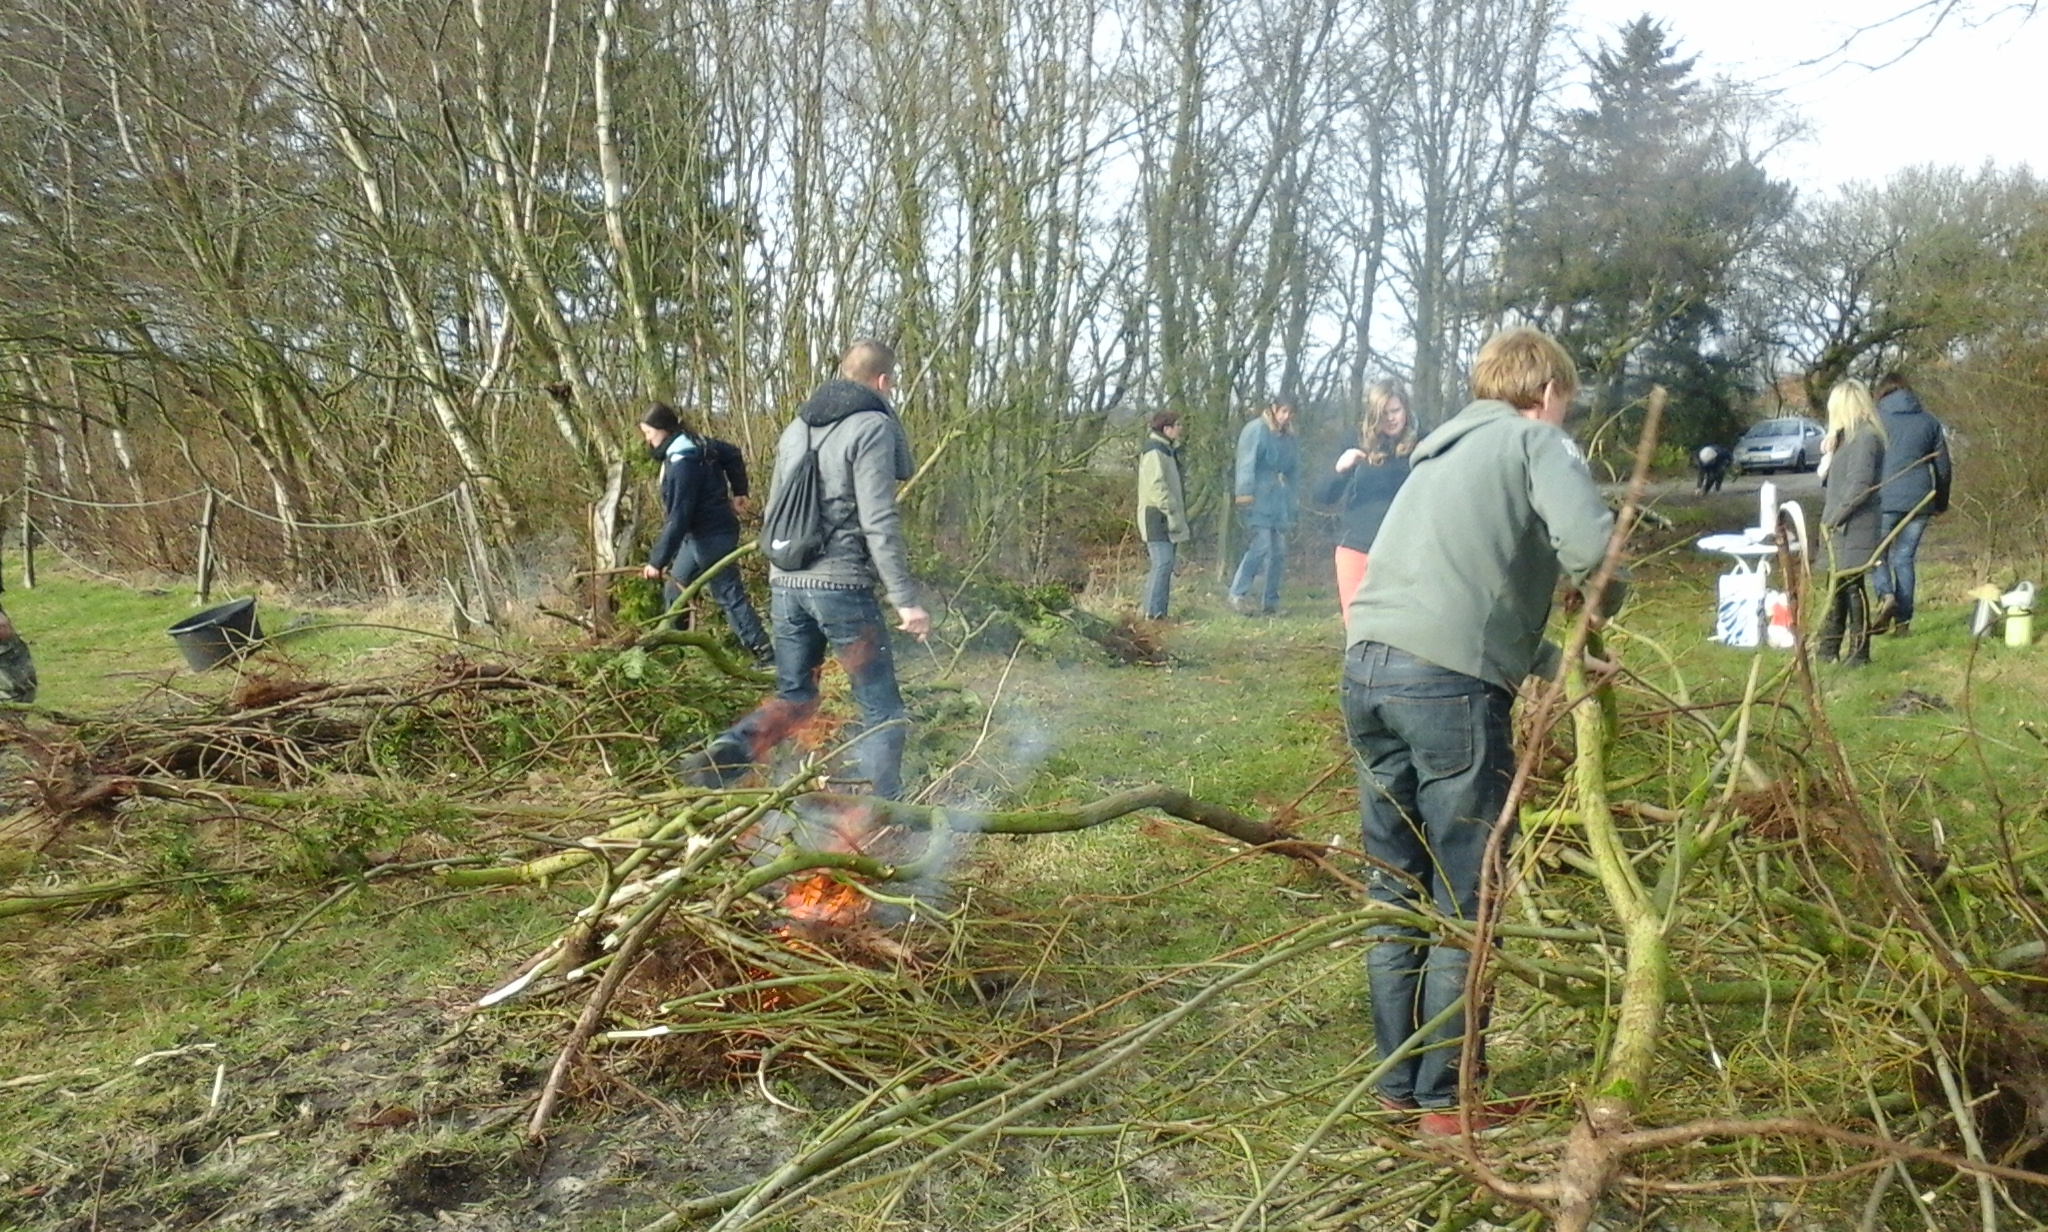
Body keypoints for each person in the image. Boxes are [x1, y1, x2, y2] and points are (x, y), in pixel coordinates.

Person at [1341, 326, 1626, 1136]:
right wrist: (1600, 612)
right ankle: (1448, 1102)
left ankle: (1397, 1089)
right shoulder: (1537, 441)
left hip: (1366, 672)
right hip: (1446, 690)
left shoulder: (1436, 454)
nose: (1564, 415)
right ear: (1548, 392)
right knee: (1469, 894)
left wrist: (1548, 658)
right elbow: (1597, 557)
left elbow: (1455, 588)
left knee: (1394, 888)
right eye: (1565, 401)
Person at [682, 340, 930, 799]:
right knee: (881, 706)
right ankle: (883, 807)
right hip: (840, 584)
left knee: (797, 695)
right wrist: (905, 599)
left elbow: (778, 507)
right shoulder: (871, 425)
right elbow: (878, 519)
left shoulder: (797, 426)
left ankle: (731, 748)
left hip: (786, 583)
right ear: (883, 381)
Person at [639, 403, 772, 664]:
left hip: (713, 536)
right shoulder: (695, 444)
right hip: (697, 537)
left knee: (728, 596)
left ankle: (766, 656)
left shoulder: (684, 461)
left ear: (664, 430)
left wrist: (657, 561)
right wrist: (740, 491)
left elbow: (679, 517)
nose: (647, 439)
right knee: (676, 590)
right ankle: (676, 654)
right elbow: (731, 453)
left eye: (648, 433)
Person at [1317, 381, 1414, 617]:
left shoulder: (1423, 442)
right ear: (1373, 415)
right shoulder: (1355, 439)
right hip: (1356, 547)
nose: (1391, 418)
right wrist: (1341, 469)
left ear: (1406, 410)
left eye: (1396, 411)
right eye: (1384, 414)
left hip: (1403, 551)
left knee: (1395, 629)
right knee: (1358, 627)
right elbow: (1322, 495)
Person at [1868, 373, 1952, 637]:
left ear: (1882, 393)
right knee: (1904, 559)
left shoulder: (1874, 420)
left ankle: (1886, 595)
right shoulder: (1929, 422)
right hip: (1920, 500)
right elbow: (1943, 468)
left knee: (1876, 555)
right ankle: (1903, 624)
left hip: (1884, 499)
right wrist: (1940, 502)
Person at [1816, 380, 1885, 666]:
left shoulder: (1866, 438)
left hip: (1854, 525)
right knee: (1840, 587)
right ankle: (1828, 648)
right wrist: (1830, 450)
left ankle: (1859, 652)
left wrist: (1833, 520)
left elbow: (1859, 485)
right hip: (1841, 526)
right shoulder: (1848, 437)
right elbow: (1826, 479)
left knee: (1853, 587)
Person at [1227, 400, 1299, 615]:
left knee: (1279, 551)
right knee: (1261, 546)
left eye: (1290, 412)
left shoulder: (1289, 437)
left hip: (1279, 499)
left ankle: (1270, 602)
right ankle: (1237, 594)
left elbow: (1294, 469)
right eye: (1284, 410)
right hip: (1258, 496)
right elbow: (1246, 462)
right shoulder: (1256, 429)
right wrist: (1244, 493)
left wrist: (1293, 500)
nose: (1287, 416)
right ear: (1274, 409)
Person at [1135, 410, 1190, 620]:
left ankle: (1158, 614)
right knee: (1162, 563)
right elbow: (1157, 487)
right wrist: (1172, 508)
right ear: (1167, 429)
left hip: (1164, 514)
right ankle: (1152, 614)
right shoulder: (1154, 451)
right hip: (1156, 516)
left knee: (1165, 565)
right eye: (1177, 425)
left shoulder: (1166, 450)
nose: (1180, 428)